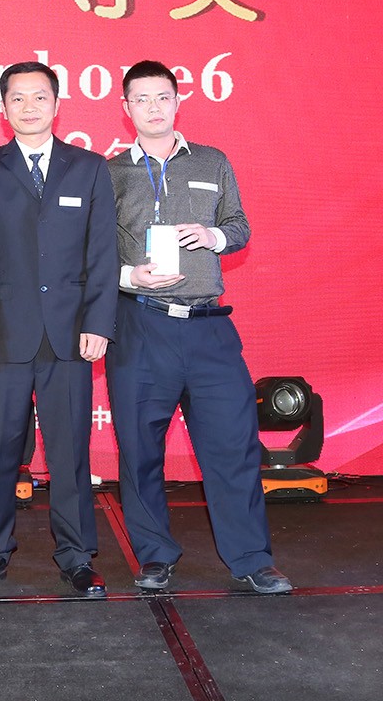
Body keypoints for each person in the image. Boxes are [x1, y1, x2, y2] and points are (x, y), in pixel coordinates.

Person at [104, 60, 292, 595]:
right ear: (126, 108)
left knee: (233, 446)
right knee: (140, 450)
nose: (154, 107)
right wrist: (128, 276)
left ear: (178, 101)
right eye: (142, 99)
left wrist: (214, 237)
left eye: (163, 97)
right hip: (141, 325)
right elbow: (90, 253)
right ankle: (154, 555)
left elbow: (240, 227)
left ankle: (252, 558)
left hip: (209, 328)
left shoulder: (213, 160)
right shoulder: (109, 173)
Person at [0, 61, 117, 597]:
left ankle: (77, 556)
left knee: (69, 452)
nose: (29, 107)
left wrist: (98, 321)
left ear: (57, 103)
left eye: (39, 97)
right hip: (2, 335)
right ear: (3, 107)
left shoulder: (89, 168)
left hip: (70, 336)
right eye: (17, 98)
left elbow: (102, 251)